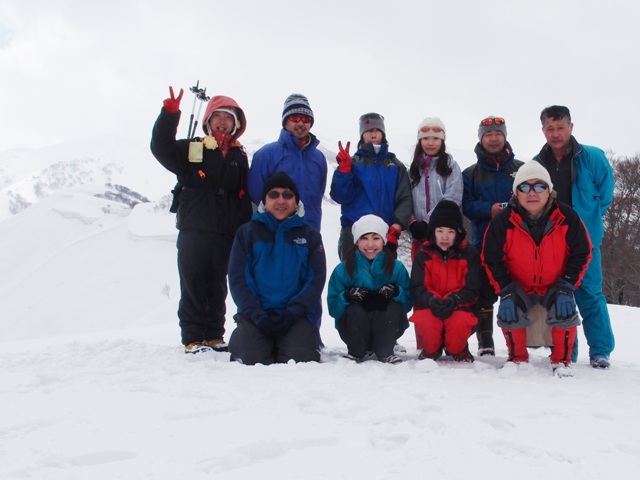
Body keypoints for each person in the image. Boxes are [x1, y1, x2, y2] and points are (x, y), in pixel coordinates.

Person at [151, 86, 252, 354]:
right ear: (208, 120)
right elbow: (161, 148)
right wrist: (170, 114)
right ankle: (193, 337)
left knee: (218, 284)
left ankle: (214, 335)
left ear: (236, 124)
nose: (222, 121)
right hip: (194, 228)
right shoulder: (194, 147)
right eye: (217, 115)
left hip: (225, 232)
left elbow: (242, 193)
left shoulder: (239, 155)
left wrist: (245, 227)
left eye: (228, 117)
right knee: (193, 283)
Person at [482, 161, 592, 376]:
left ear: (549, 190)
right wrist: (505, 290)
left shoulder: (567, 217)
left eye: (539, 186)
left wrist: (567, 285)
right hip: (518, 285)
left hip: (555, 283)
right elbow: (491, 258)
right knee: (510, 311)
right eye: (524, 187)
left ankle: (562, 361)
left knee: (565, 311)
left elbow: (582, 252)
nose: (532, 193)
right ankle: (517, 358)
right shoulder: (503, 221)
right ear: (516, 192)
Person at [534, 105, 615, 369]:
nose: (555, 133)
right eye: (550, 128)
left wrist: (587, 220)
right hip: (552, 243)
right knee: (560, 296)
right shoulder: (537, 163)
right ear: (543, 130)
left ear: (570, 127)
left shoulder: (592, 157)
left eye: (560, 127)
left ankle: (600, 351)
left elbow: (605, 196)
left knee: (590, 294)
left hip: (587, 240)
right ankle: (567, 351)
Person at [227, 172, 326, 365]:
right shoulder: (247, 233)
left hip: (294, 317)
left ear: (296, 201)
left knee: (301, 356)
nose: (281, 200)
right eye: (274, 194)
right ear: (264, 200)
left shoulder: (310, 237)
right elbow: (239, 278)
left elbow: (315, 280)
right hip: (255, 316)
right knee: (249, 356)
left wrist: (294, 312)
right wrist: (256, 314)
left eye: (287, 195)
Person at [462, 116, 524, 357]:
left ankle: (519, 342)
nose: (494, 138)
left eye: (498, 133)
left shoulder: (521, 169)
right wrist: (489, 209)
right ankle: (485, 339)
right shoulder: (471, 173)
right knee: (484, 292)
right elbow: (466, 205)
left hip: (518, 242)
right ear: (481, 139)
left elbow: (535, 199)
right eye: (488, 135)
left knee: (517, 290)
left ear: (505, 137)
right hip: (483, 241)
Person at [327, 214, 412, 364]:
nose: (370, 244)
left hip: (387, 327)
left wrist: (396, 292)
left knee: (392, 308)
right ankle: (356, 351)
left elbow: (408, 303)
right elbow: (333, 309)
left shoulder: (397, 268)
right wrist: (346, 296)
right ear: (356, 241)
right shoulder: (343, 269)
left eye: (376, 238)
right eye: (364, 238)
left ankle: (385, 351)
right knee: (355, 310)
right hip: (354, 330)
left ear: (384, 240)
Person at [330, 112, 412, 260]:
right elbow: (340, 196)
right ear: (362, 135)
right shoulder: (352, 163)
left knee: (384, 274)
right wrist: (344, 172)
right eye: (368, 131)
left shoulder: (396, 166)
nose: (373, 135)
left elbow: (405, 198)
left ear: (383, 133)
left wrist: (397, 226)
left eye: (376, 130)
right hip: (353, 233)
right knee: (351, 274)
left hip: (385, 234)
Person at [410, 200, 480, 362]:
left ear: (458, 233)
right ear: (433, 232)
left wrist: (455, 300)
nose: (445, 237)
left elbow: (473, 288)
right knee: (426, 321)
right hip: (430, 306)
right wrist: (430, 299)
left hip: (459, 307)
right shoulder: (423, 253)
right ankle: (431, 349)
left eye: (451, 231)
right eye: (440, 231)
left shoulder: (469, 254)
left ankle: (458, 349)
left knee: (459, 322)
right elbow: (417, 286)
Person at [248, 94, 327, 232]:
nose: (301, 123)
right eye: (295, 118)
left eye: (306, 119)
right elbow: (256, 197)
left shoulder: (319, 158)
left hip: (309, 233)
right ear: (285, 122)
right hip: (273, 234)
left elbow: (318, 195)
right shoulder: (266, 154)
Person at [408, 117, 463, 259]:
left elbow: (452, 197)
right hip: (419, 236)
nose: (430, 143)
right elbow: (405, 198)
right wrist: (412, 222)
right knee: (420, 271)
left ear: (442, 141)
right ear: (420, 141)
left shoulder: (451, 166)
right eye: (426, 138)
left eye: (436, 138)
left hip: (443, 237)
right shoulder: (413, 170)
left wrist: (428, 221)